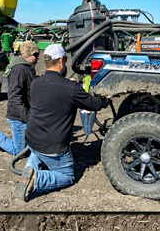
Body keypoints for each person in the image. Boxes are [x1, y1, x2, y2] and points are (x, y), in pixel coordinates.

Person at [14, 44, 108, 202]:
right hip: (53, 148)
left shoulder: (36, 83)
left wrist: (69, 85)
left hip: (32, 140)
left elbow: (53, 93)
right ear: (61, 62)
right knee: (68, 176)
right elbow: (95, 104)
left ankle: (30, 170)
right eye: (65, 59)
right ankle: (36, 179)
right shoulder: (71, 88)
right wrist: (106, 96)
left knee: (38, 156)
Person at [0, 41, 39, 155]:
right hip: (18, 117)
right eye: (36, 54)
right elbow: (14, 97)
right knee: (19, 151)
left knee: (28, 147)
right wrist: (27, 118)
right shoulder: (20, 70)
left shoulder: (27, 68)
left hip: (23, 114)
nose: (38, 57)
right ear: (28, 55)